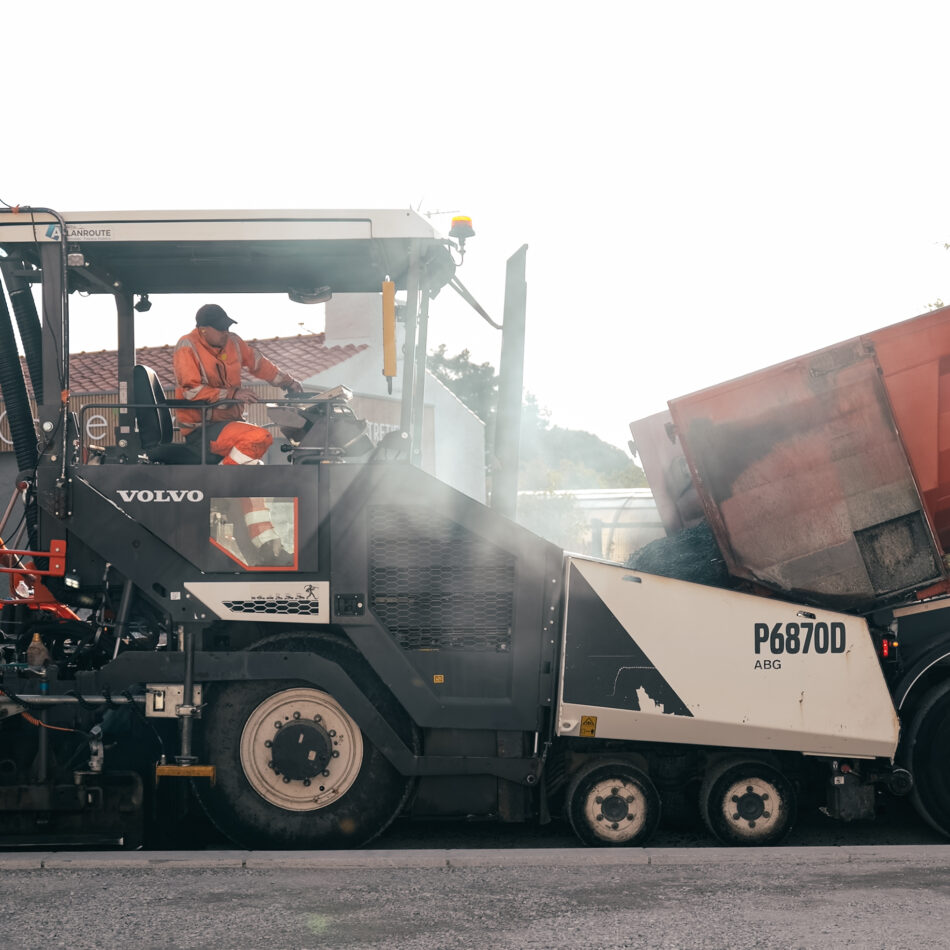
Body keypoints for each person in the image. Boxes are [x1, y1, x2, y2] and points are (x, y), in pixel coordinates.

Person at [173, 303, 303, 465]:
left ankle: (230, 479)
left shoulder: (233, 342)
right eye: (220, 328)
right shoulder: (187, 346)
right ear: (203, 329)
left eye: (227, 327)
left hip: (229, 422)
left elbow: (258, 364)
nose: (226, 332)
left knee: (257, 451)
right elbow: (191, 391)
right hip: (201, 429)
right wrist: (232, 394)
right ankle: (220, 480)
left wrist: (288, 382)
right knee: (258, 437)